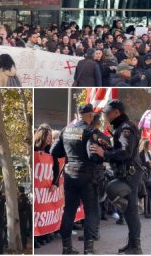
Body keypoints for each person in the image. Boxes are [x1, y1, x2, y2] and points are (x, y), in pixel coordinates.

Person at [90, 100, 143, 254]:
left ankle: (136, 246)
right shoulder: (122, 127)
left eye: (108, 113)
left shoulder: (126, 128)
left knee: (131, 211)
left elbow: (126, 152)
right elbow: (122, 149)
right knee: (127, 210)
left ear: (117, 112)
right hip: (126, 172)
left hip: (130, 174)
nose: (105, 116)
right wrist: (108, 147)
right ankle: (132, 243)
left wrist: (104, 154)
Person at [50, 104, 102, 254]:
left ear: (77, 114)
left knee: (69, 211)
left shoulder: (65, 130)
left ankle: (67, 249)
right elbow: (92, 155)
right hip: (87, 176)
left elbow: (54, 151)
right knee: (91, 211)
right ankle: (89, 250)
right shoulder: (89, 131)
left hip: (70, 176)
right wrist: (100, 155)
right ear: (90, 116)